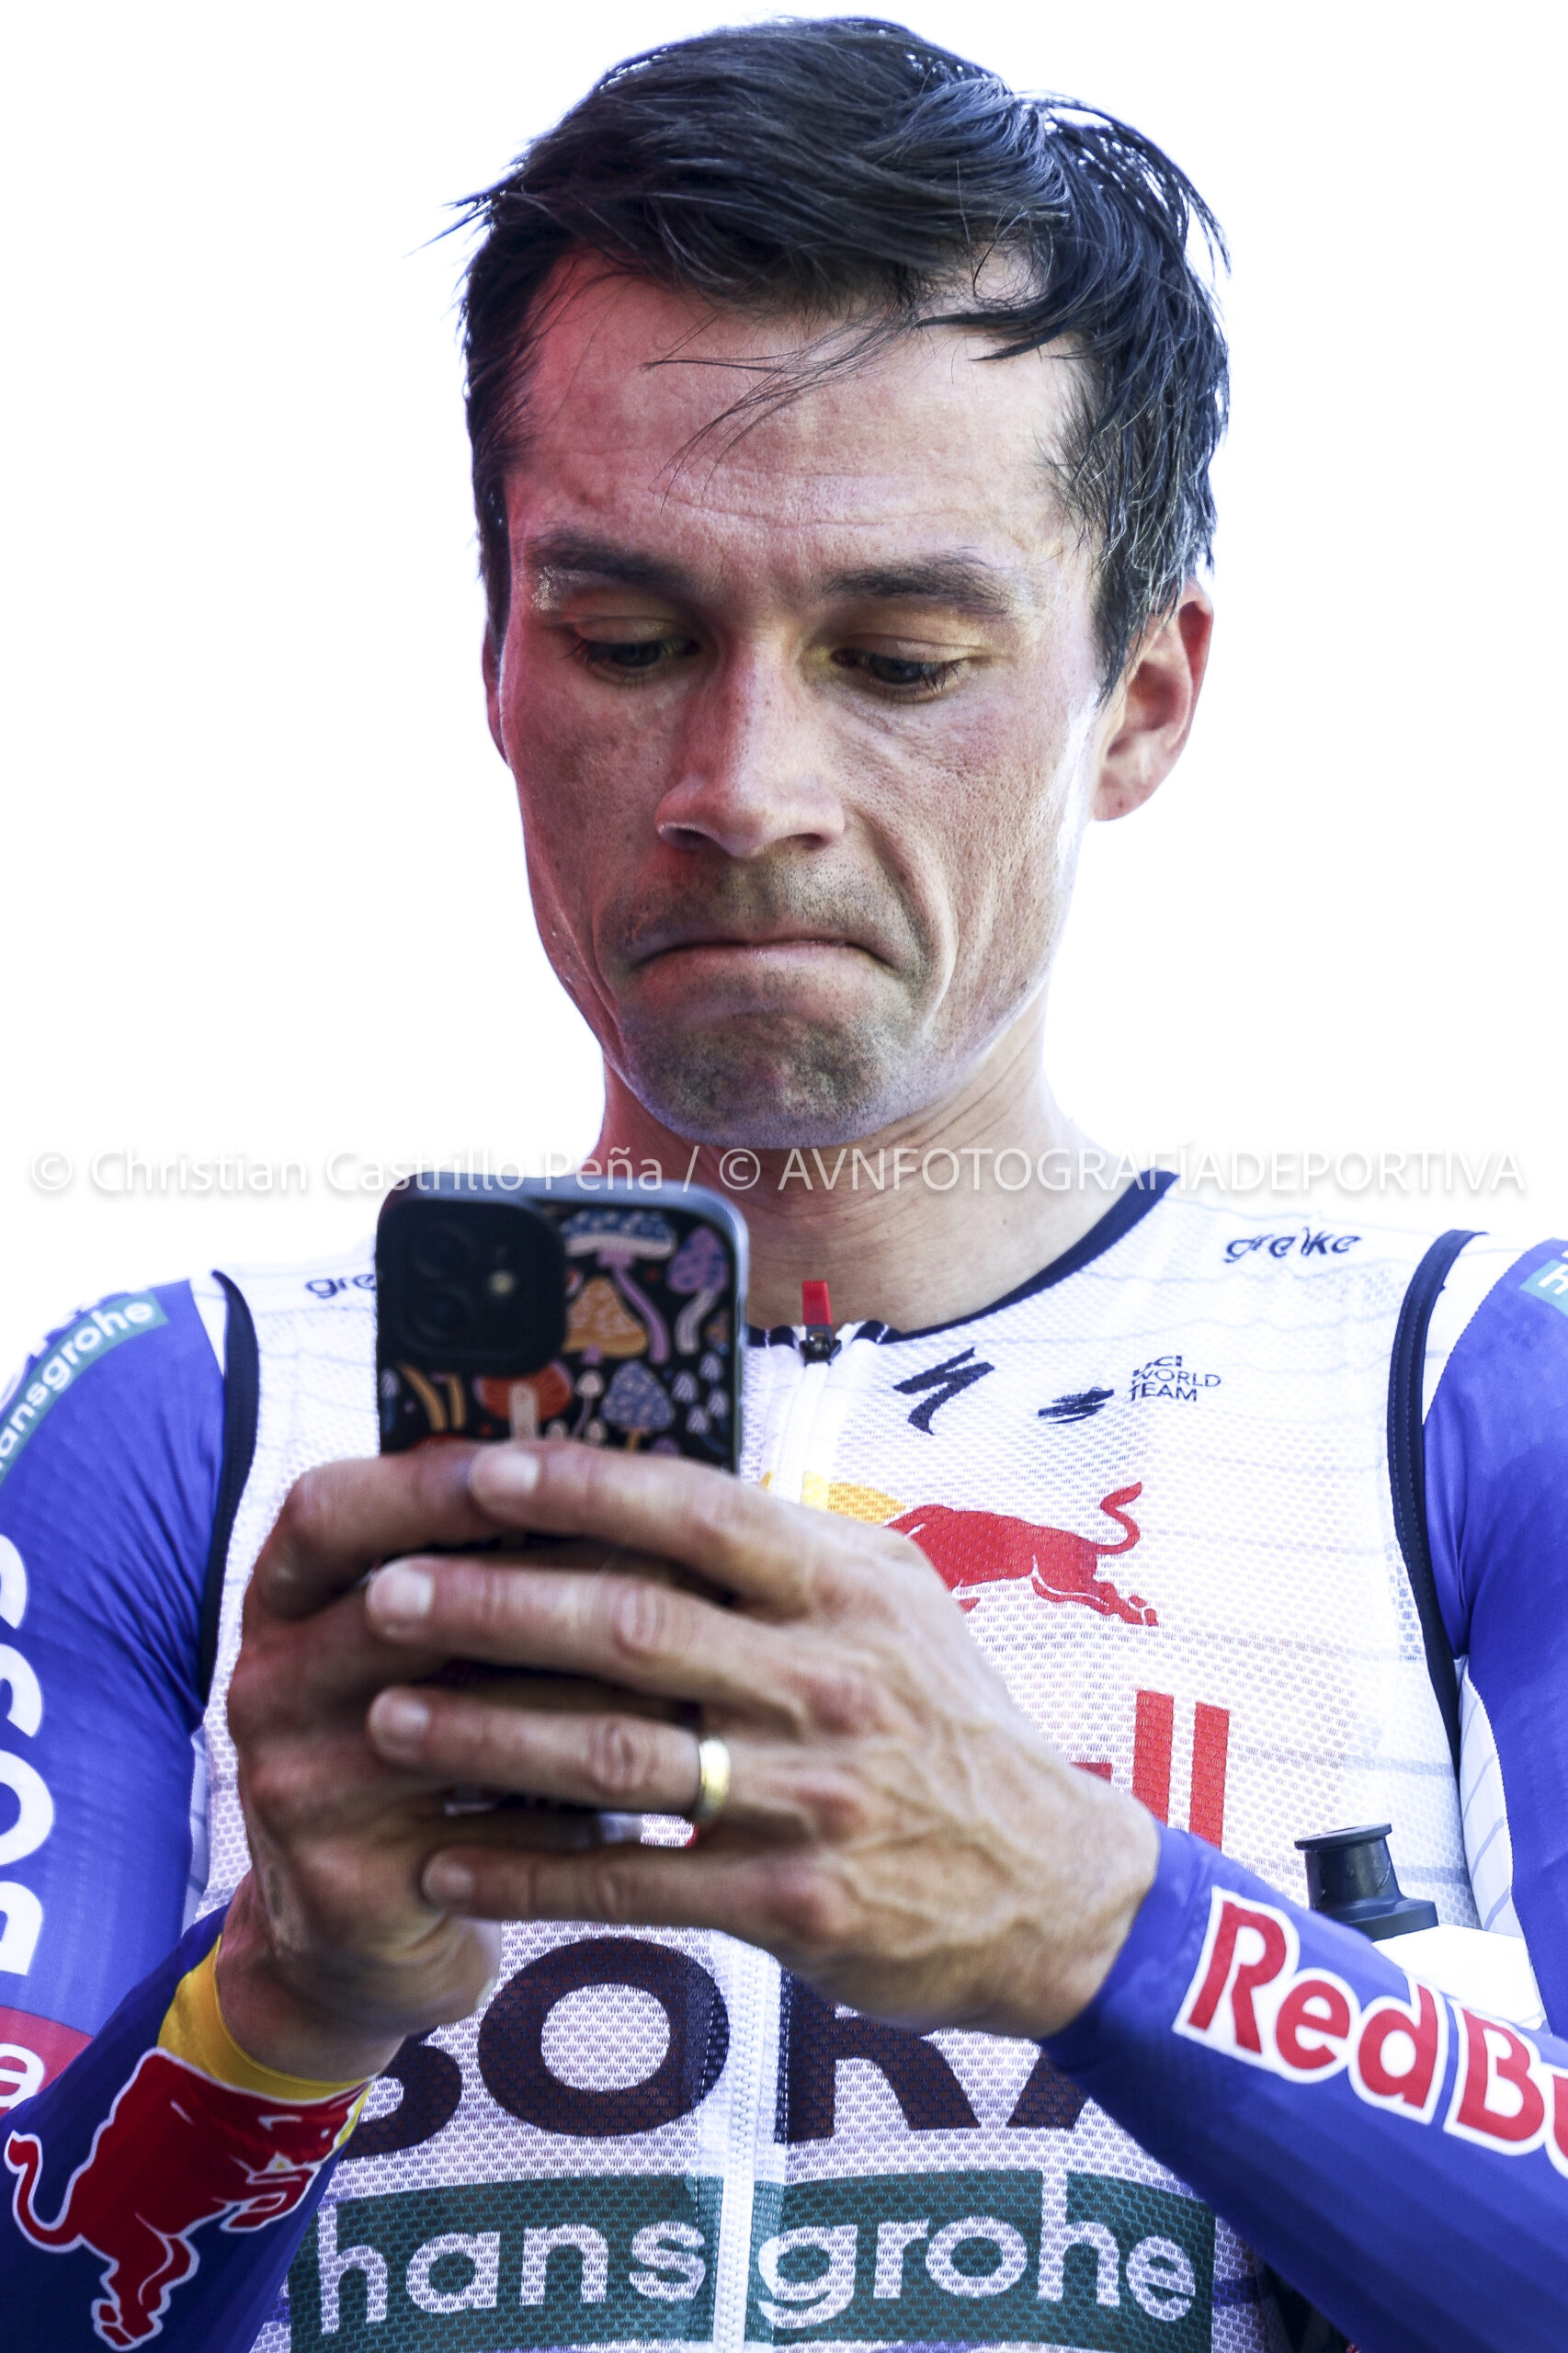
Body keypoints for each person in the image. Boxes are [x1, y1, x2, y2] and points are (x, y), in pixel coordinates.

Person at [2, 19, 1565, 2352]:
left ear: (1143, 697)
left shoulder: (1470, 1392)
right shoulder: (164, 1418)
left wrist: (1094, 1915)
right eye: (628, 639)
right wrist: (276, 2003)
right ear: (498, 660)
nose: (743, 783)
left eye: (900, 656)